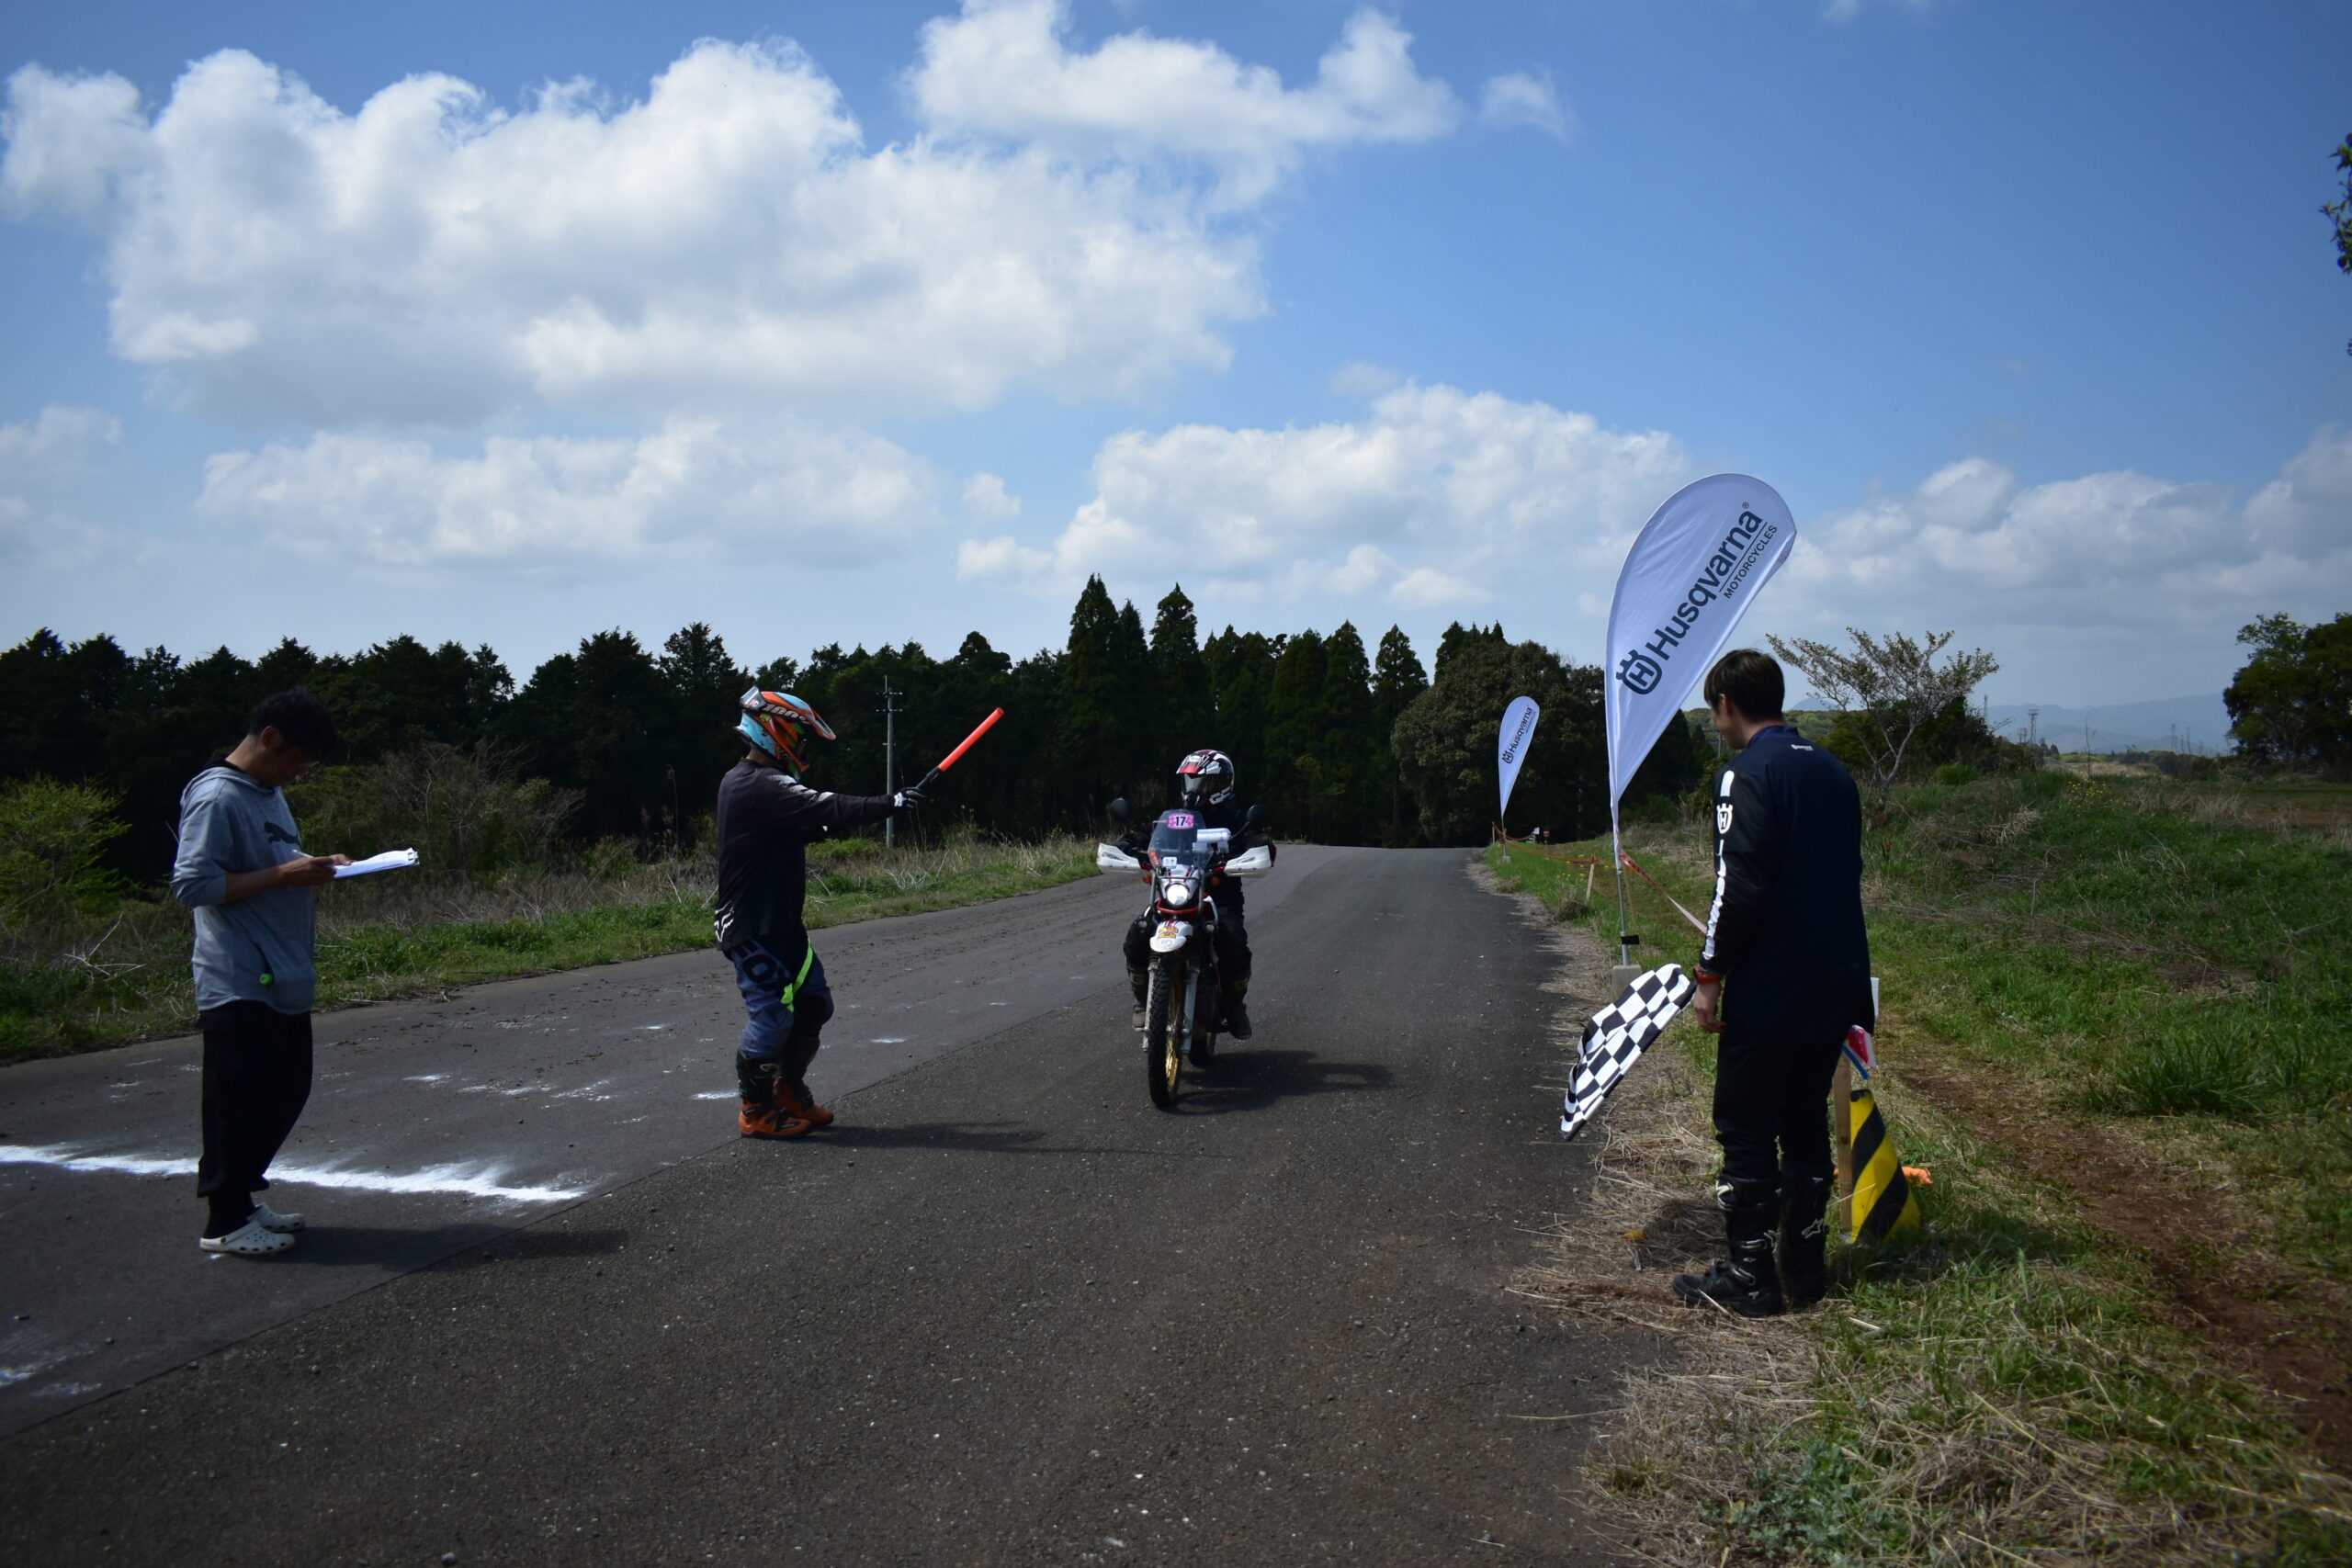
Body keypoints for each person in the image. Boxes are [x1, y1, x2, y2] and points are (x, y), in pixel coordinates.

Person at [1676, 649, 1872, 1317]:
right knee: (1804, 1117)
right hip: (1837, 975)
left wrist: (1709, 973)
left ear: (1727, 704)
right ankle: (1804, 1269)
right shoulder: (1833, 770)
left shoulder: (1744, 774)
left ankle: (1751, 1274)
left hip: (1771, 982)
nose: (1715, 721)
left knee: (1746, 1123)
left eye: (1713, 710)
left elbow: (1738, 885)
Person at [171, 690, 349, 1257]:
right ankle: (224, 1221)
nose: (300, 773)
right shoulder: (217, 796)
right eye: (298, 759)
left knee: (284, 1092)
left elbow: (274, 862)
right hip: (240, 975)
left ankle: (243, 1200)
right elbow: (192, 885)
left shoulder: (267, 793)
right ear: (269, 738)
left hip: (283, 973)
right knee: (238, 1102)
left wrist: (319, 866)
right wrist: (281, 876)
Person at [716, 688, 922, 1139]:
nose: (803, 747)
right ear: (774, 730)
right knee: (772, 1018)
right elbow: (824, 804)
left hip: (783, 925)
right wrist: (890, 803)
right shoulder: (755, 782)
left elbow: (808, 823)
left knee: (814, 1005)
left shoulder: (763, 785)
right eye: (800, 737)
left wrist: (842, 820)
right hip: (751, 926)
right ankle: (755, 1109)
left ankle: (788, 1090)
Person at [1116, 750, 1272, 1040]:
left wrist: (1259, 848)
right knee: (1138, 933)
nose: (1195, 790)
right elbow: (1146, 836)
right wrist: (1126, 845)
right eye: (1190, 782)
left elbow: (1257, 841)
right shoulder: (1175, 819)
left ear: (1222, 784)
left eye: (1203, 783)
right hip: (1174, 893)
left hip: (1219, 899)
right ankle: (1141, 1000)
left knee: (1233, 938)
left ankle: (1234, 1006)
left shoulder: (1236, 820)